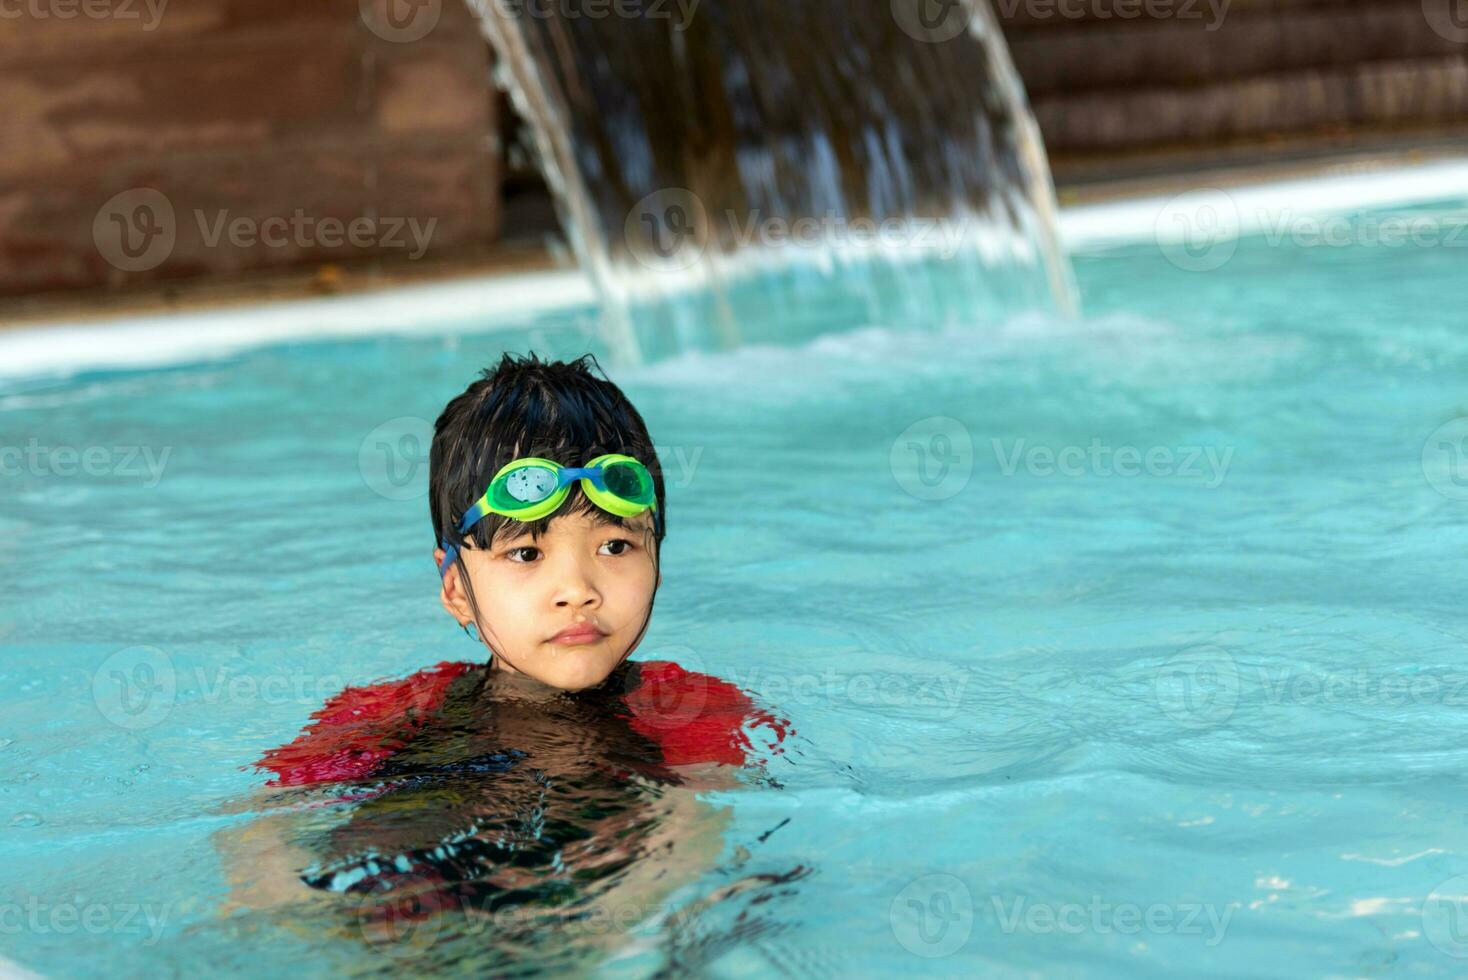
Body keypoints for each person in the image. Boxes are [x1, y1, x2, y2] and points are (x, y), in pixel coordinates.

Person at [220, 354, 789, 966]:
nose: (578, 589)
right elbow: (263, 829)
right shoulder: (395, 711)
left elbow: (692, 831)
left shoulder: (689, 707)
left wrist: (601, 938)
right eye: (526, 554)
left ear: (657, 557)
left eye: (616, 544)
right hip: (417, 913)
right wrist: (284, 911)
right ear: (456, 589)